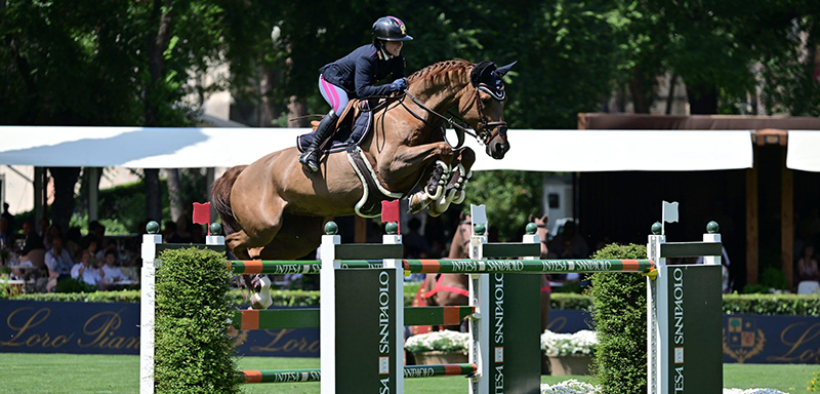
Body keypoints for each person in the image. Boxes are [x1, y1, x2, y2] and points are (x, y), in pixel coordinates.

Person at [298, 16, 412, 172]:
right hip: (334, 82)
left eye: (401, 40)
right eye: (394, 41)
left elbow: (399, 86)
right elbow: (363, 91)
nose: (400, 44)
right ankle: (311, 151)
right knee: (341, 107)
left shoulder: (397, 58)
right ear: (381, 42)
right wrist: (391, 87)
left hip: (355, 88)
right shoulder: (367, 58)